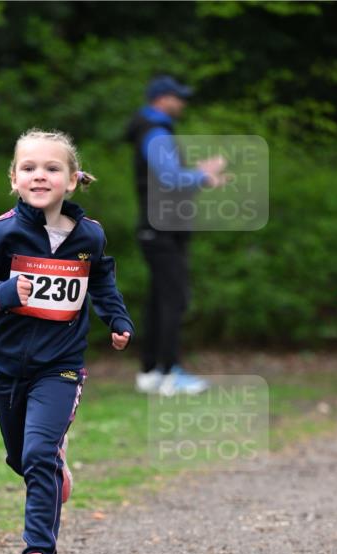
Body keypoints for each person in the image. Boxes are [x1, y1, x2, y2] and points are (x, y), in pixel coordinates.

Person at [0, 128, 134, 554]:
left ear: (71, 180)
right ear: (14, 178)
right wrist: (4, 295)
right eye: (29, 168)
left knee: (38, 454)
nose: (40, 175)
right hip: (6, 368)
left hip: (61, 366)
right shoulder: (1, 232)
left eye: (51, 168)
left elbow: (102, 278)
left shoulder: (89, 235)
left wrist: (117, 317)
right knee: (22, 458)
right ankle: (53, 469)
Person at [125, 75, 226, 396]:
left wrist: (195, 172)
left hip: (157, 228)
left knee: (159, 299)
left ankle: (150, 371)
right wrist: (202, 176)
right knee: (173, 299)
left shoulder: (152, 130)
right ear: (161, 99)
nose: (181, 102)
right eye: (177, 97)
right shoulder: (155, 131)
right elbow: (169, 178)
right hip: (163, 230)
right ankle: (169, 373)